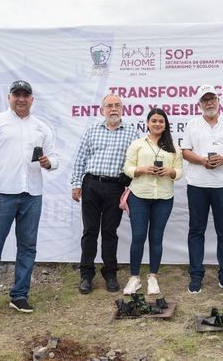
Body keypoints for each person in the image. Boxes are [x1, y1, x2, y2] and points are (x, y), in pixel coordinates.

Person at [0, 80, 58, 321]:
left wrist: (49, 163)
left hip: (32, 195)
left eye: (26, 95)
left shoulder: (42, 127)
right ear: (9, 97)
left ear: (32, 99)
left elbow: (55, 157)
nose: (21, 99)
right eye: (16, 94)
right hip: (0, 195)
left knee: (28, 247)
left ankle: (19, 295)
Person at [71, 94, 139, 294]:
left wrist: (131, 188)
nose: (113, 109)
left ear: (123, 109)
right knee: (90, 231)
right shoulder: (92, 130)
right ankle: (86, 275)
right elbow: (80, 159)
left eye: (117, 105)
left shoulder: (132, 134)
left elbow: (135, 162)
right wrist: (76, 184)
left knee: (110, 231)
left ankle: (110, 273)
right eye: (109, 106)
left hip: (115, 187)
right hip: (91, 184)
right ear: (102, 110)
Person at [181, 84, 223, 296]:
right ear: (199, 104)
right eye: (204, 99)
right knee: (196, 231)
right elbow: (186, 152)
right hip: (197, 185)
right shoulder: (192, 124)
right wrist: (202, 161)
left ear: (219, 100)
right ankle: (196, 276)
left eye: (212, 99)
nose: (209, 103)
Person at [121, 108, 183, 295]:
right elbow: (127, 168)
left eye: (161, 121)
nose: (157, 124)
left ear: (165, 125)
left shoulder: (174, 147)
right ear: (147, 123)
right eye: (154, 121)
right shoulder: (137, 144)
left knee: (156, 238)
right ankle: (134, 278)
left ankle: (153, 277)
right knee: (138, 237)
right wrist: (141, 169)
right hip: (139, 196)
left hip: (163, 198)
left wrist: (170, 172)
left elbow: (179, 172)